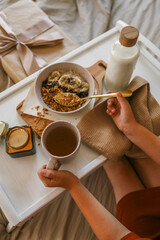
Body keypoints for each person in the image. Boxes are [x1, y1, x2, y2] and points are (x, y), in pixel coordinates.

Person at [38, 93, 160, 240]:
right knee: (134, 151)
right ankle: (127, 146)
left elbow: (116, 236)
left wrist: (73, 185)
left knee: (111, 157)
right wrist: (130, 127)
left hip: (145, 231)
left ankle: (117, 151)